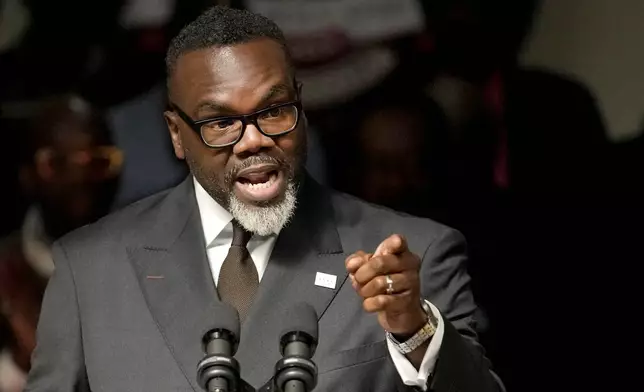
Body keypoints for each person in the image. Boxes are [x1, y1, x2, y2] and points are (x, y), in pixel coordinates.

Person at [25, 7, 502, 392]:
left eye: (273, 111)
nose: (252, 140)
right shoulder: (89, 268)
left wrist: (413, 330)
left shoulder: (408, 258)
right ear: (176, 134)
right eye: (220, 123)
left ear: (302, 106)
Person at [0, 94, 121, 392]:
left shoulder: (155, 258)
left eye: (98, 161)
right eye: (56, 163)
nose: (79, 177)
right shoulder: (6, 277)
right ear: (26, 175)